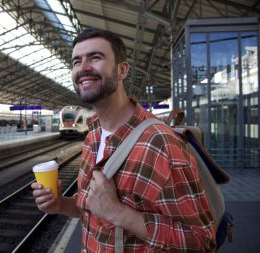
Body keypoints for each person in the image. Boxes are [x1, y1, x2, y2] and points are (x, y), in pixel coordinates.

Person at [32, 28, 216, 252]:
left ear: (122, 70)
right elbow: (92, 208)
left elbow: (202, 242)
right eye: (76, 61)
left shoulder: (161, 144)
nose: (83, 68)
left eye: (95, 57)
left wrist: (119, 213)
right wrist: (60, 204)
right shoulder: (93, 136)